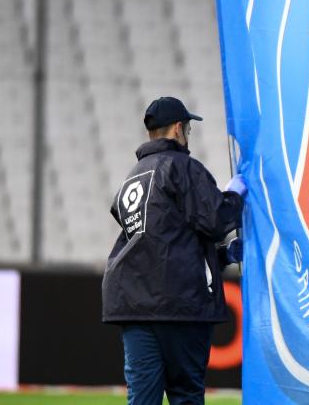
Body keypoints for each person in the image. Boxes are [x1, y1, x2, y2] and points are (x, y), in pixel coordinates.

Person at [102, 96, 247, 405]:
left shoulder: (132, 178)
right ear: (179, 129)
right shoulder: (182, 168)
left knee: (142, 400)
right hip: (180, 305)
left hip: (134, 306)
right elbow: (217, 219)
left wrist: (222, 256)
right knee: (186, 396)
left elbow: (159, 244)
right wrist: (234, 197)